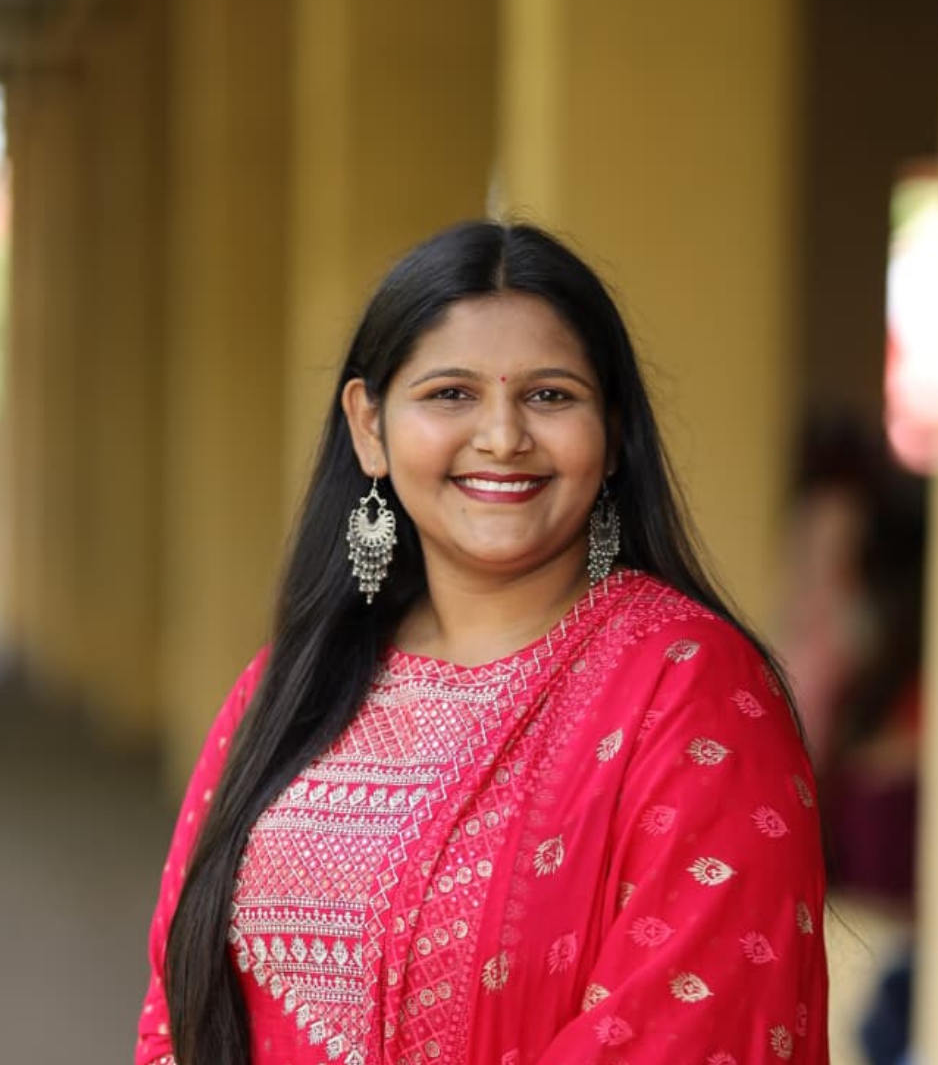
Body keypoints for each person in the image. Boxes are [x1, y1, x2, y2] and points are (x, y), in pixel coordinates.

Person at [135, 221, 829, 1065]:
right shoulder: (289, 684)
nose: (503, 436)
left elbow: (688, 1031)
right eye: (450, 394)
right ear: (369, 427)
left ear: (611, 433)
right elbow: (178, 1004)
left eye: (550, 396)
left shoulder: (689, 688)